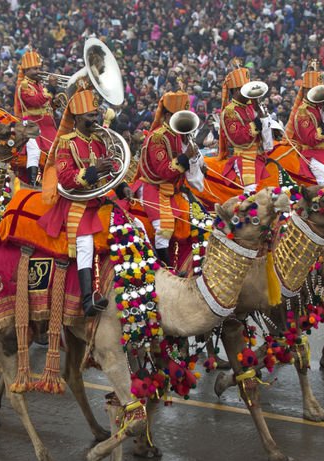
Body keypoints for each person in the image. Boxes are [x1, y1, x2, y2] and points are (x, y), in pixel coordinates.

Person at [38, 89, 126, 317]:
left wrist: (121, 186)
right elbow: (67, 180)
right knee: (85, 244)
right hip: (76, 203)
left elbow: (112, 169)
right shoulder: (66, 144)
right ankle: (88, 299)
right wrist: (96, 171)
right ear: (76, 118)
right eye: (90, 116)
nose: (95, 120)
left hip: (99, 199)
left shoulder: (99, 140)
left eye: (96, 115)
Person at [133, 90, 204, 264]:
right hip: (154, 187)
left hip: (174, 188)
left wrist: (197, 161)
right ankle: (165, 267)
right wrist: (185, 157)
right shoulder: (157, 138)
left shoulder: (181, 134)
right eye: (178, 115)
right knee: (163, 228)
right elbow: (164, 170)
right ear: (166, 115)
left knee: (200, 216)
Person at [218, 63, 277, 192]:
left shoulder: (252, 105)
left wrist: (263, 117)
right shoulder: (230, 111)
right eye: (244, 88)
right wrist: (256, 122)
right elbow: (237, 138)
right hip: (245, 158)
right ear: (236, 91)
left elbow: (265, 133)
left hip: (260, 156)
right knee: (252, 191)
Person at [285, 65, 324, 186]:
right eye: (313, 90)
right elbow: (311, 139)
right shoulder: (303, 112)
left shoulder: (323, 108)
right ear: (305, 91)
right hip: (313, 154)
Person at [14, 48, 58, 182]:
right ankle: (33, 181)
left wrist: (55, 103)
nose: (38, 71)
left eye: (39, 68)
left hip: (47, 125)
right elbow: (35, 101)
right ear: (26, 70)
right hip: (33, 125)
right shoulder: (24, 86)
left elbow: (46, 105)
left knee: (56, 153)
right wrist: (50, 89)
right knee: (35, 152)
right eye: (34, 69)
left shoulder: (39, 84)